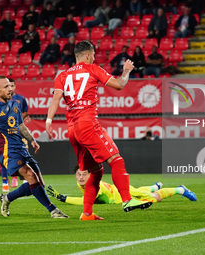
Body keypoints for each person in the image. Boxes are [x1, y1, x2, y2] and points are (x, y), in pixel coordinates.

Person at [46, 40, 153, 221]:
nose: (94, 58)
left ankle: (87, 213)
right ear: (88, 55)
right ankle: (127, 200)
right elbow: (119, 84)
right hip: (87, 124)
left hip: (72, 129)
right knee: (116, 160)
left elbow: (56, 99)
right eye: (93, 55)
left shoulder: (63, 75)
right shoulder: (93, 68)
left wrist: (49, 121)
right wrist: (126, 70)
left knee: (96, 171)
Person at [0, 75, 68, 218]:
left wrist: (32, 139)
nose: (10, 89)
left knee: (39, 183)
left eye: (10, 85)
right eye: (6, 86)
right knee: (30, 175)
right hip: (7, 151)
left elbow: (20, 126)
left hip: (21, 148)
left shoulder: (15, 103)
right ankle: (53, 210)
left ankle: (7, 198)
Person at [47, 166, 197, 205]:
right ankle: (154, 186)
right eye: (78, 174)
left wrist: (63, 198)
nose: (80, 177)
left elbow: (85, 201)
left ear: (90, 175)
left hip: (124, 196)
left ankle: (181, 189)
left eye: (84, 174)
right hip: (120, 190)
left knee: (155, 199)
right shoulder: (85, 182)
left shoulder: (94, 185)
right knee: (138, 190)